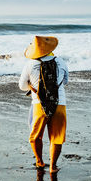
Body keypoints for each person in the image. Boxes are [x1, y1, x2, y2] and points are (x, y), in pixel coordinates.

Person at [19, 36, 68, 173]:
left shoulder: (30, 64)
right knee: (57, 137)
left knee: (36, 136)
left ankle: (39, 161)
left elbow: (22, 86)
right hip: (59, 103)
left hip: (39, 105)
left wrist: (32, 86)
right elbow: (65, 81)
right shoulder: (60, 61)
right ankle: (53, 166)